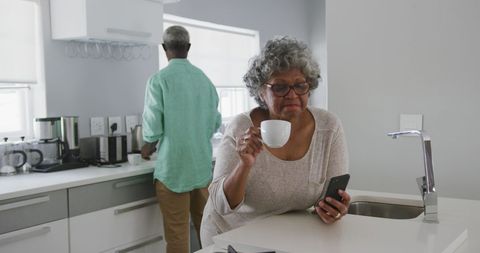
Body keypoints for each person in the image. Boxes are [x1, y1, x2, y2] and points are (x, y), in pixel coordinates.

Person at [200, 36, 351, 246]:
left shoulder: (328, 127)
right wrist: (245, 164)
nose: (292, 95)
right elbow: (221, 205)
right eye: (280, 87)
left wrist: (333, 210)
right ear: (261, 92)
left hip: (285, 238)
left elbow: (329, 199)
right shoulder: (242, 128)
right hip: (232, 237)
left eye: (300, 85)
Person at [141, 25, 221, 253]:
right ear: (188, 48)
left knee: (177, 238)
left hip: (173, 171)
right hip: (202, 168)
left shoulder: (158, 80)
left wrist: (146, 148)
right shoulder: (204, 80)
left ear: (164, 48)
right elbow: (215, 123)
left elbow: (152, 128)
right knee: (209, 234)